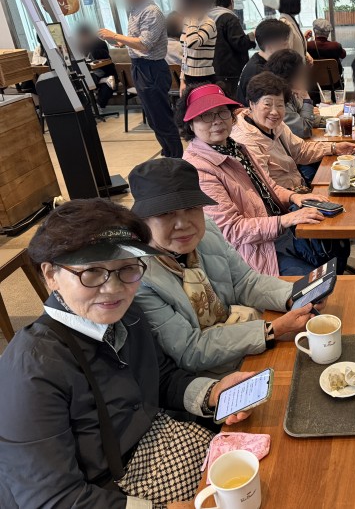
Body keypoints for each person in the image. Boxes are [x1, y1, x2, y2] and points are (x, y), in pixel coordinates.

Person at [0, 198, 255, 508]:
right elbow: (53, 498)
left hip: (166, 440)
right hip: (113, 491)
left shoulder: (128, 315)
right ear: (51, 275)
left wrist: (213, 393)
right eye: (92, 272)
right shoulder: (32, 368)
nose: (112, 289)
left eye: (127, 269)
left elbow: (162, 378)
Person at [129, 158, 316, 375]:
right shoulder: (138, 276)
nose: (183, 224)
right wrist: (273, 329)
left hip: (241, 339)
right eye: (165, 213)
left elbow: (244, 282)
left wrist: (295, 295)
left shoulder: (207, 231)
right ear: (142, 221)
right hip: (205, 375)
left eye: (191, 208)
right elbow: (189, 349)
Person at [178, 83, 330, 276]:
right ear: (190, 124)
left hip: (276, 232)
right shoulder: (198, 169)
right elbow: (232, 230)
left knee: (332, 244)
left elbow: (269, 186)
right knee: (317, 281)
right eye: (206, 115)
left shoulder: (235, 147)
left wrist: (294, 197)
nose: (217, 121)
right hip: (253, 252)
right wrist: (284, 220)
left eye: (223, 112)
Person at [98, 0, 183, 157]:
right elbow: (137, 40)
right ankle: (168, 154)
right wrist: (120, 41)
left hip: (152, 68)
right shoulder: (135, 9)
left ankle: (176, 158)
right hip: (139, 67)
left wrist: (115, 35)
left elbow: (145, 44)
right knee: (153, 118)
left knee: (161, 118)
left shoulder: (151, 11)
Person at [233, 71, 355, 189]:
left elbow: (300, 151)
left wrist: (334, 148)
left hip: (298, 188)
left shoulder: (276, 126)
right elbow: (266, 187)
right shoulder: (245, 140)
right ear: (252, 103)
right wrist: (296, 197)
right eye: (267, 104)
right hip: (284, 199)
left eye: (280, 105)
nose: (274, 112)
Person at [264, 49, 323, 138]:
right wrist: (306, 98)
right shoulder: (278, 99)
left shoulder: (286, 91)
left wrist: (331, 120)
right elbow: (304, 130)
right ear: (292, 76)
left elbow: (303, 117)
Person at [210, 0, 256, 98]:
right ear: (232, 2)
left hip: (214, 70)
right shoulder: (229, 18)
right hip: (231, 71)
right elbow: (240, 43)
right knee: (235, 101)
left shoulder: (208, 18)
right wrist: (252, 35)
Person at [174, 0, 217, 93]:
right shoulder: (187, 21)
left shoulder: (209, 23)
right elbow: (185, 53)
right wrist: (182, 80)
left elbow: (193, 43)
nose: (178, 4)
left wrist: (193, 17)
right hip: (189, 77)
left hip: (204, 78)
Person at [237, 18, 291, 105]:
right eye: (284, 44)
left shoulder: (261, 62)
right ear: (270, 46)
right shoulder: (258, 72)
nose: (288, 48)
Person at [76, 23, 117, 108]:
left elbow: (105, 57)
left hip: (105, 71)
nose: (82, 38)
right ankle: (103, 81)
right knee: (80, 80)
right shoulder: (80, 45)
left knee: (107, 85)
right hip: (91, 73)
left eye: (83, 36)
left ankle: (98, 106)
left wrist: (90, 46)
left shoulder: (98, 43)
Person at [278, 0, 312, 64]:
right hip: (294, 70)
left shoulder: (290, 20)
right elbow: (287, 54)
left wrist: (303, 38)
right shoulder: (285, 24)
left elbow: (294, 45)